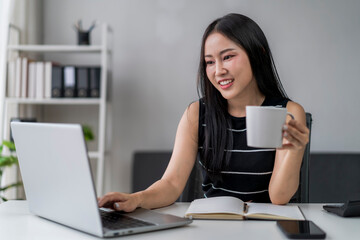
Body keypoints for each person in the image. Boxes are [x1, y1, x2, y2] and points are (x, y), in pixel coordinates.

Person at [98, 13, 309, 212]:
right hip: (211, 226)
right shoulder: (197, 114)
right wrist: (136, 199)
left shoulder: (288, 112)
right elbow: (171, 183)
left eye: (227, 57)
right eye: (209, 62)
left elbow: (279, 197)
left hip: (265, 228)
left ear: (258, 54)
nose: (218, 71)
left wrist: (295, 149)